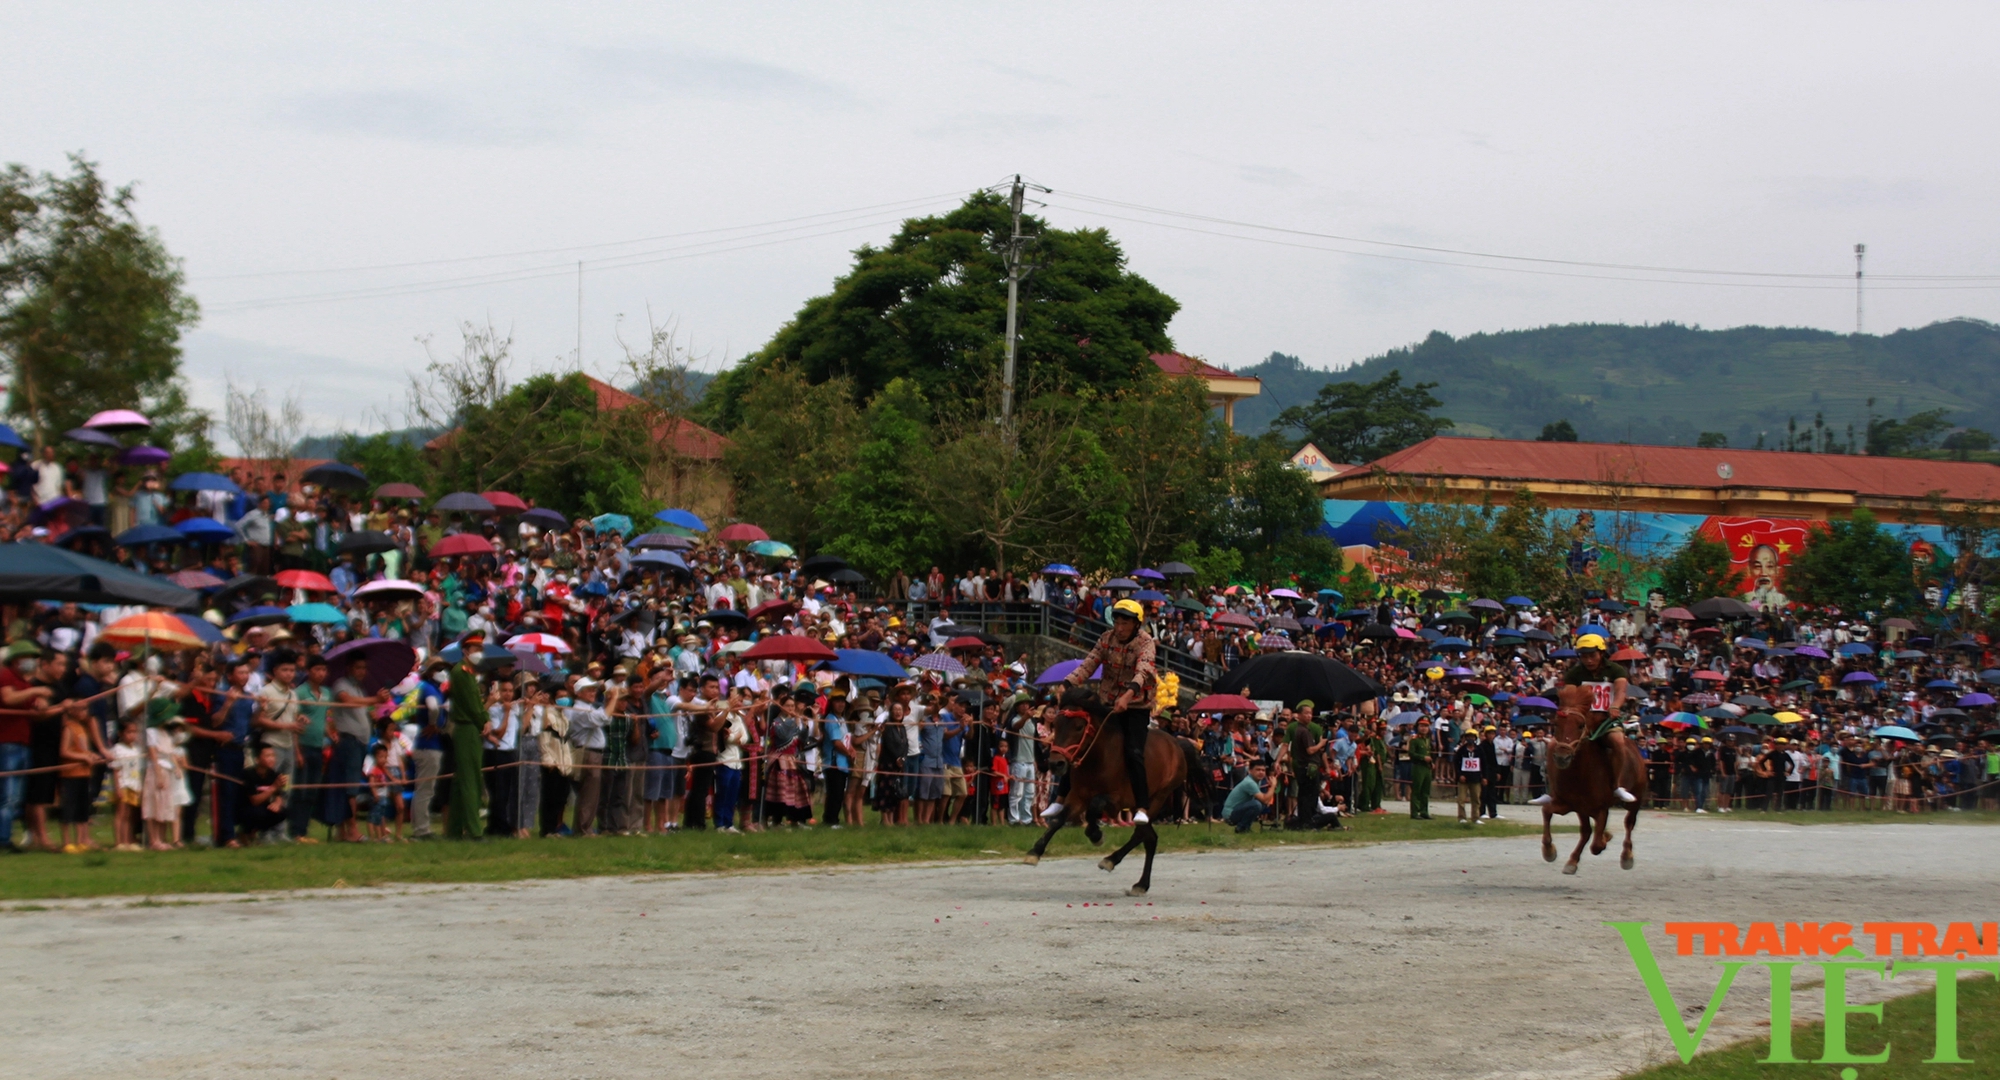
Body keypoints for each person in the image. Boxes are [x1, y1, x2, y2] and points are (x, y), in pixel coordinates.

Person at [1046, 598, 1159, 824]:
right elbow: (1089, 664)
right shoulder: (1106, 639)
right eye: (1117, 622)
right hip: (1107, 700)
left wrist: (1128, 696)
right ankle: (1060, 798)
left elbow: (1143, 671)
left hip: (1136, 704)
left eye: (1125, 623)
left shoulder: (1146, 642)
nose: (1120, 627)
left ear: (1136, 624)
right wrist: (1067, 684)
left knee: (1134, 751)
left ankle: (1142, 807)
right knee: (1081, 741)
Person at [1531, 633, 1640, 806]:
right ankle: (1552, 791)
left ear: (1601, 653)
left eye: (1592, 655)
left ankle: (1617, 786)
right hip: (1582, 721)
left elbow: (1620, 692)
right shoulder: (1575, 673)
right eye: (1584, 656)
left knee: (1618, 741)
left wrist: (1615, 706)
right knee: (1553, 745)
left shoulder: (1616, 670)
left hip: (1606, 720)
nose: (1588, 660)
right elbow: (1570, 695)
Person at [1223, 761, 1275, 832]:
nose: (1261, 772)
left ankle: (1246, 827)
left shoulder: (1257, 781)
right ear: (1250, 771)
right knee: (1256, 804)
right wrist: (1273, 786)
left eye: (1263, 770)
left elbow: (1265, 800)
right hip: (1230, 815)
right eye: (1258, 770)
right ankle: (1241, 827)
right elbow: (1265, 799)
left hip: (1237, 810)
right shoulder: (1249, 782)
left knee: (1260, 804)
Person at [1406, 718, 1433, 820]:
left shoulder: (1427, 739)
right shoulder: (1415, 739)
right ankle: (1414, 812)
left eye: (1426, 726)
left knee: (1425, 791)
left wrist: (1431, 762)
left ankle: (1424, 811)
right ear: (1418, 727)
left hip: (1427, 767)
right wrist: (1422, 758)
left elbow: (1428, 752)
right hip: (1418, 766)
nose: (1424, 728)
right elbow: (1411, 753)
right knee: (1417, 790)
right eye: (1422, 726)